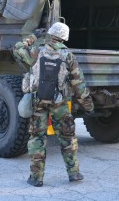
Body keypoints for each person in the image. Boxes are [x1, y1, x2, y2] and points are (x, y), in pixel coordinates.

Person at [13, 21, 94, 187]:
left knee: (37, 138)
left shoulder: (37, 51)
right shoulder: (68, 56)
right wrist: (88, 106)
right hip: (60, 104)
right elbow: (79, 85)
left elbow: (17, 49)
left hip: (38, 101)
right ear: (64, 38)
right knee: (67, 137)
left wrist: (33, 36)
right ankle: (74, 173)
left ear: (50, 34)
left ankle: (36, 178)